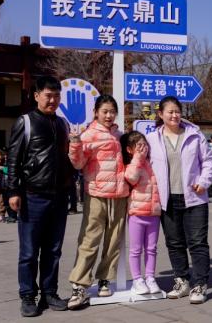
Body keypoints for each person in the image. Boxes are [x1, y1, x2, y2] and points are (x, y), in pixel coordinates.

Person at [7, 76, 74, 317]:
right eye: (48, 95)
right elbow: (13, 158)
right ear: (36, 95)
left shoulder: (63, 124)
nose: (53, 100)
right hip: (32, 195)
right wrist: (13, 190)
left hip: (59, 196)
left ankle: (49, 292)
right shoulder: (25, 122)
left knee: (54, 249)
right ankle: (27, 296)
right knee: (28, 251)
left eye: (57, 95)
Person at [146, 96, 212, 304]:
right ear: (160, 114)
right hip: (167, 199)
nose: (175, 115)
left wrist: (204, 181)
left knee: (197, 242)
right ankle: (182, 280)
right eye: (170, 112)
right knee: (174, 243)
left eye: (177, 111)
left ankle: (199, 284)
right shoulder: (152, 139)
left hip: (194, 198)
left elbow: (209, 160)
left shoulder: (194, 135)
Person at [66, 95, 128, 310]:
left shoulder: (120, 135)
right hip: (95, 194)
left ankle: (104, 279)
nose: (109, 115)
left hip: (120, 195)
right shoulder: (89, 134)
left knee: (114, 240)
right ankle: (80, 285)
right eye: (105, 111)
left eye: (112, 111)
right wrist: (74, 144)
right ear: (96, 112)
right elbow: (78, 163)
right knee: (89, 240)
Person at [122, 131, 163, 295]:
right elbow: (131, 178)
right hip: (136, 214)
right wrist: (138, 159)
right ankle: (137, 279)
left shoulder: (152, 162)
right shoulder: (132, 164)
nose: (143, 148)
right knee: (135, 249)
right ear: (129, 149)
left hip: (153, 213)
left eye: (144, 144)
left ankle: (150, 277)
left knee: (152, 248)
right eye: (138, 146)